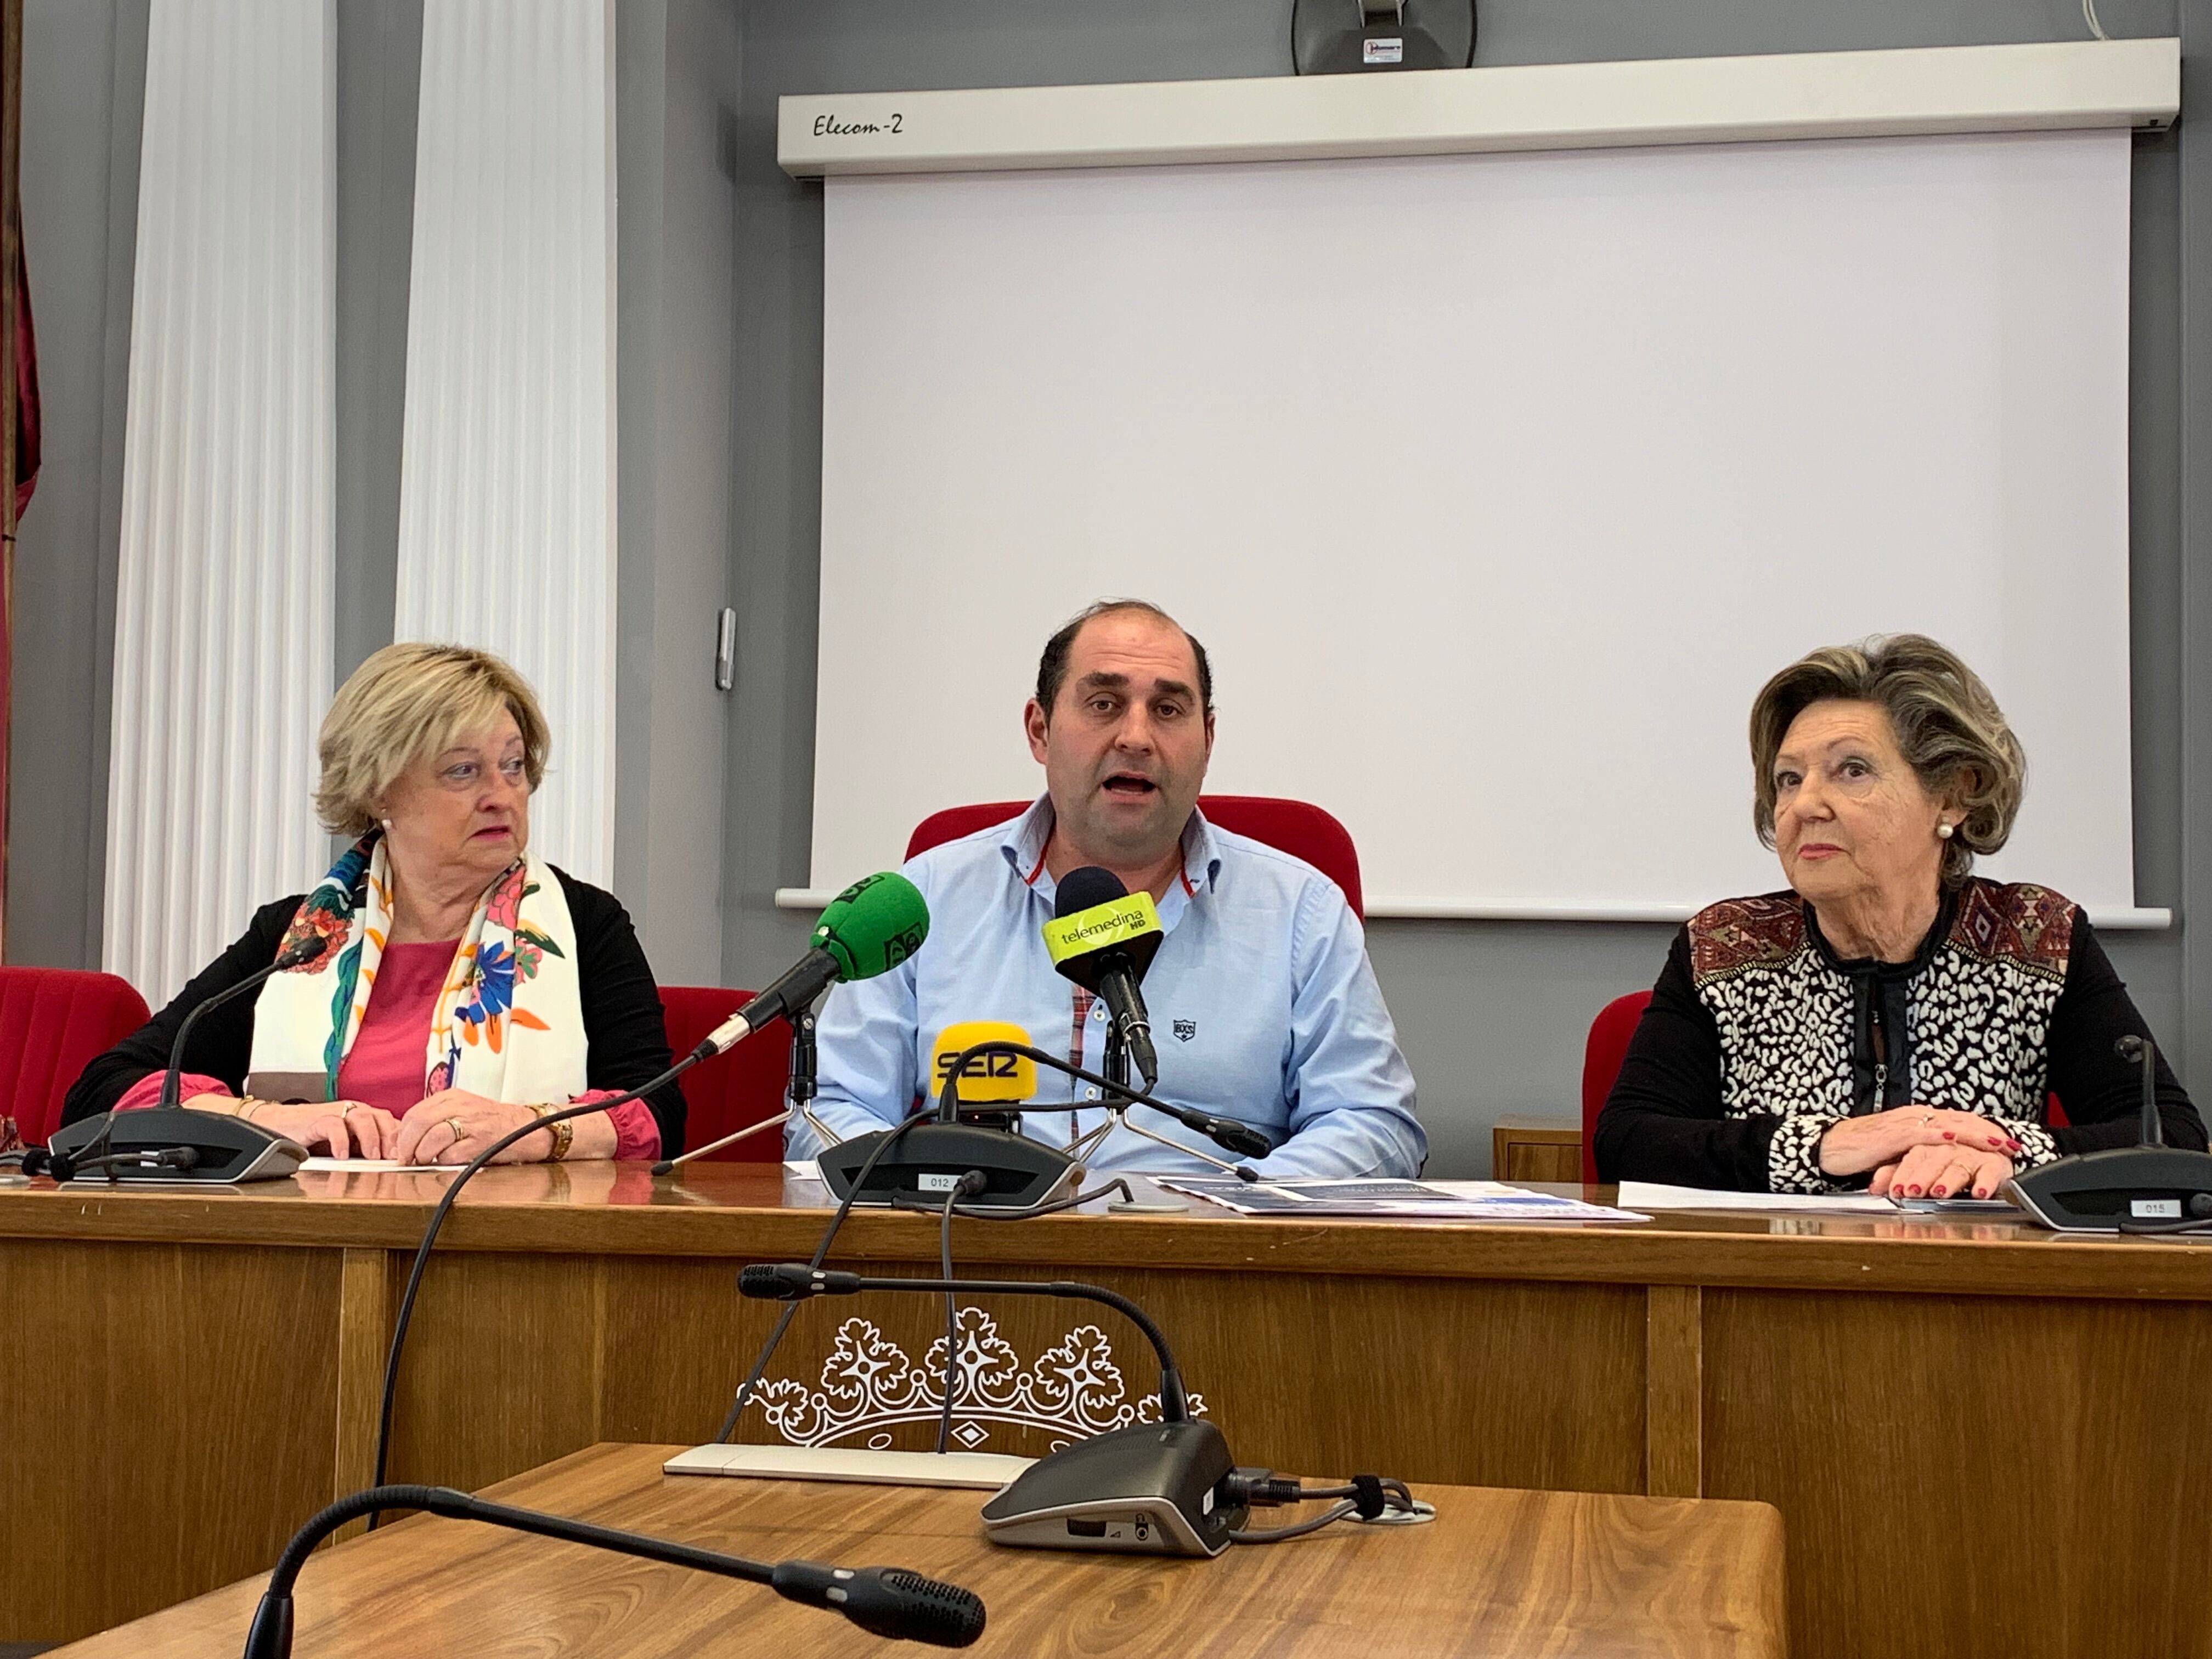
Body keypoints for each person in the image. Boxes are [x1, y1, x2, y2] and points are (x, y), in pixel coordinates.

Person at [791, 599, 1425, 1178]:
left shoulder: (1301, 914)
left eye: (1169, 710)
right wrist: (937, 1195)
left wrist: (1230, 1211)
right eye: (1104, 704)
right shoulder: (925, 899)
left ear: (1208, 739)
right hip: (972, 1260)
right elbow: (832, 1110)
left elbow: (1374, 1124)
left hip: (1217, 1271)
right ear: (1039, 730)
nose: (1136, 737)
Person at [1595, 634, 2203, 1197]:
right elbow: (1628, 1144)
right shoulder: (1725, 946)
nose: (1804, 804)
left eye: (1851, 770)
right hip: (1769, 1294)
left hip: (1978, 1294)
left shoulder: (2035, 938)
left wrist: (2004, 1157)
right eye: (1787, 779)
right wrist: (1820, 1146)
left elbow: (2171, 1139)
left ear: (1953, 795)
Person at [63, 643, 684, 1164]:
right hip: (307, 1247)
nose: (503, 795)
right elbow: (107, 1087)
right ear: (379, 788)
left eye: (514, 766)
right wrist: (263, 1119)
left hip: (510, 1251)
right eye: (463, 772)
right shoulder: (298, 938)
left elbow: (658, 1112)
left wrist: (526, 1129)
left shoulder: (583, 925)